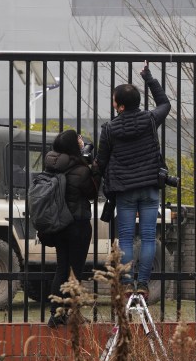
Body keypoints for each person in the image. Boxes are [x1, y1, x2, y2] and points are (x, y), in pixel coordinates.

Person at [95, 63, 171, 300]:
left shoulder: (109, 129)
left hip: (125, 190)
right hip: (149, 187)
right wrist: (148, 77)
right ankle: (143, 284)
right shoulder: (150, 120)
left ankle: (128, 284)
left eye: (114, 100)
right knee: (149, 236)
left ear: (120, 105)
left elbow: (101, 161)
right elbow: (165, 104)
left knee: (126, 237)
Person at [39, 129, 99, 329]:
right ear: (73, 146)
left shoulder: (50, 165)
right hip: (77, 225)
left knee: (61, 268)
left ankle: (56, 314)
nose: (82, 141)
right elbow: (92, 192)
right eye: (78, 139)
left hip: (58, 225)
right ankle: (72, 314)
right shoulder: (81, 169)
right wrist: (94, 167)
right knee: (74, 272)